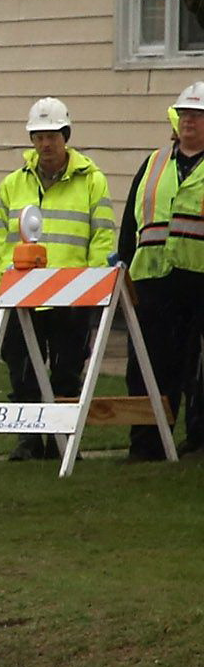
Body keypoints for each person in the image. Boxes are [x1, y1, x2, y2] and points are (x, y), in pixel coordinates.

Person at [0, 98, 113, 459]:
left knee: (66, 371)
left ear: (66, 136)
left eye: (52, 136)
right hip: (24, 295)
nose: (45, 144)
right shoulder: (13, 184)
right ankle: (28, 439)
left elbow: (101, 237)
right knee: (23, 370)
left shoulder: (92, 181)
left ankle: (60, 441)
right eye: (39, 136)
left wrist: (93, 289)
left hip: (73, 295)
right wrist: (4, 286)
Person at [121, 84, 204, 460]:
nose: (189, 120)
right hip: (152, 281)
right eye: (185, 113)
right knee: (148, 366)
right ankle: (147, 443)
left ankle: (197, 439)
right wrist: (123, 267)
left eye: (197, 115)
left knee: (197, 368)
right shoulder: (154, 163)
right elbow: (130, 222)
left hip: (198, 278)